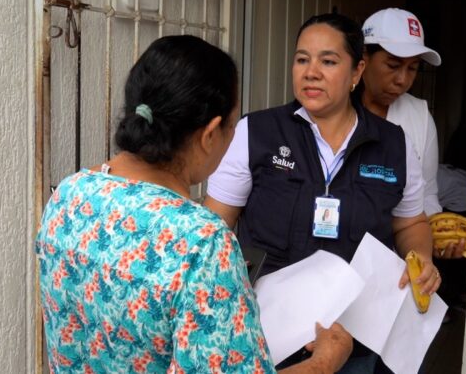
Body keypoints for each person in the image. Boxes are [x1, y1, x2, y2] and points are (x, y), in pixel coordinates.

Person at [36, 35, 352, 374]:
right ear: (210, 134)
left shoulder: (69, 194)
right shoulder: (202, 242)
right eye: (232, 125)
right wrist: (324, 362)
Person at [205, 14, 441, 373]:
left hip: (355, 337)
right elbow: (215, 227)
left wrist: (421, 256)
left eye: (328, 61)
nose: (311, 72)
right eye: (302, 59)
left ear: (357, 71)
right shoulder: (257, 133)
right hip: (267, 332)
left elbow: (411, 223)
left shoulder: (394, 144)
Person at [360, 7, 466, 260]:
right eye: (393, 65)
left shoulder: (419, 116)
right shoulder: (336, 109)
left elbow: (427, 193)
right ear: (363, 57)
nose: (403, 80)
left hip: (396, 262)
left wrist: (437, 235)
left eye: (412, 68)